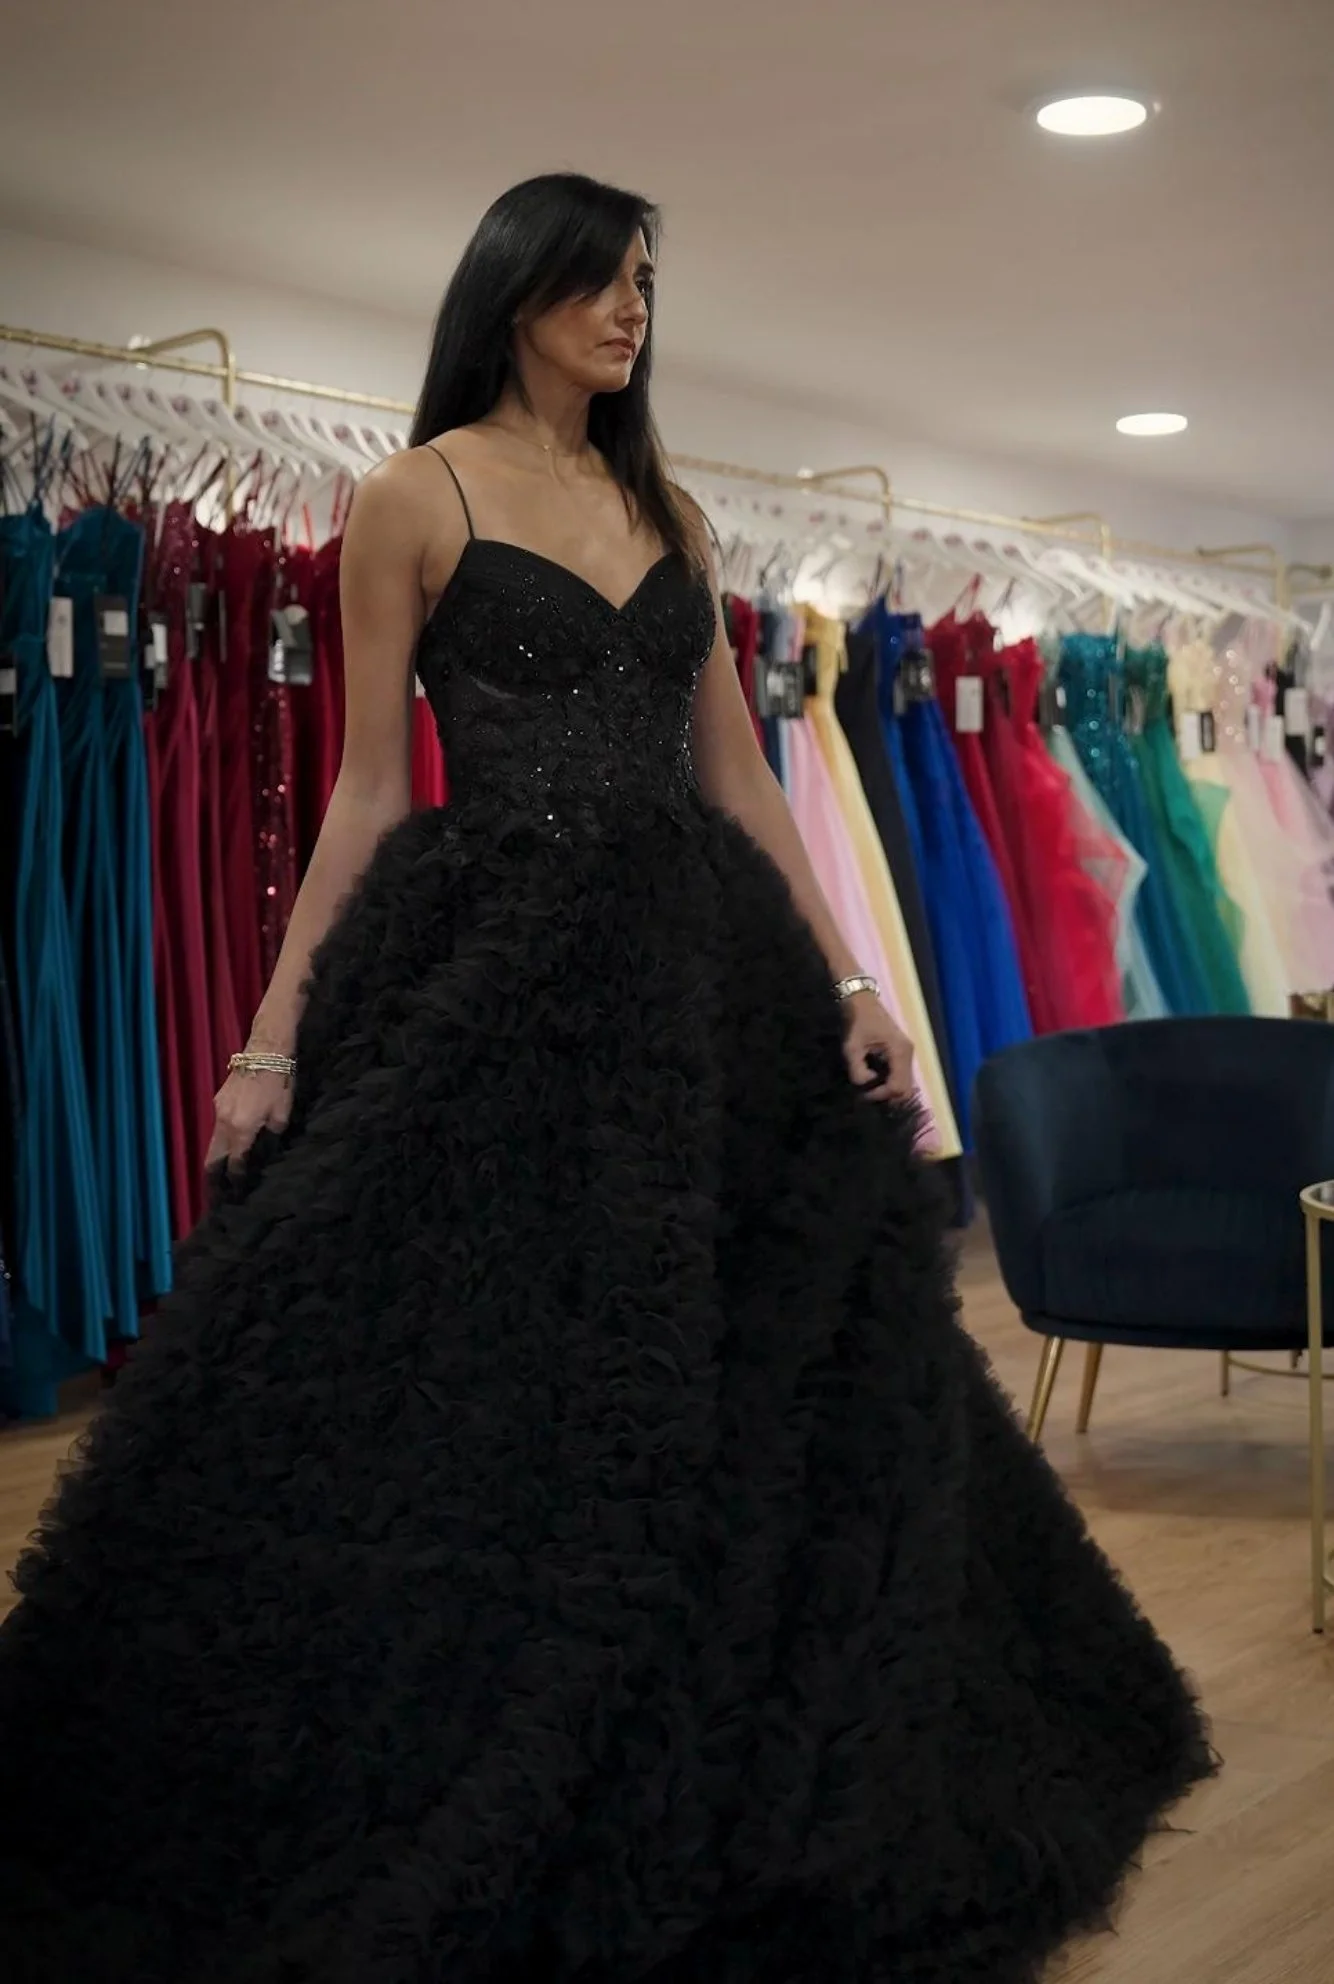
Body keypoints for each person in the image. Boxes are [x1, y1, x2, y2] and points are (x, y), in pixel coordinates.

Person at [0, 173, 1211, 1983]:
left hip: (696, 972)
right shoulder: (417, 494)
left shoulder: (672, 507)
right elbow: (363, 791)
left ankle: (726, 1729)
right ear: (515, 290)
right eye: (604, 279)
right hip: (491, 966)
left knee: (741, 1359)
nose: (633, 310)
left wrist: (853, 983)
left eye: (649, 283)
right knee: (483, 1367)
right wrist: (267, 1040)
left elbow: (737, 778)